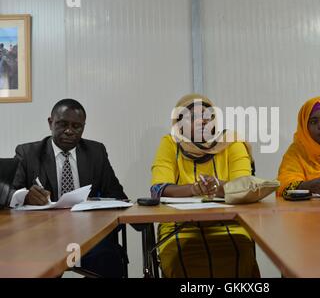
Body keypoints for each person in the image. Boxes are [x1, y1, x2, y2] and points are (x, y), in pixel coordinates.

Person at [8, 98, 128, 277]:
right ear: (50, 123)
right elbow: (8, 193)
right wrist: (25, 196)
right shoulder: (28, 153)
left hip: (89, 237)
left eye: (76, 126)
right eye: (62, 124)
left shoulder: (96, 152)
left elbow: (117, 195)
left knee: (110, 258)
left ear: (83, 127)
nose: (69, 131)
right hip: (42, 240)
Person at [150, 94, 259, 278]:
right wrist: (193, 189)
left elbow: (245, 186)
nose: (202, 121)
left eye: (207, 116)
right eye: (193, 117)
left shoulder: (232, 142)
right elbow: (158, 189)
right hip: (179, 226)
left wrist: (218, 186)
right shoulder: (170, 143)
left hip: (229, 223)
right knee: (180, 260)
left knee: (240, 256)